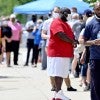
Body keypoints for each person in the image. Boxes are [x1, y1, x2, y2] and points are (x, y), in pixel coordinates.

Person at [47, 7, 77, 100]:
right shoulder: (57, 22)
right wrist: (72, 41)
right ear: (63, 13)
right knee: (58, 73)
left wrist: (74, 41)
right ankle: (59, 93)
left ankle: (57, 94)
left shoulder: (65, 24)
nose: (69, 16)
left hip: (64, 53)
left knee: (62, 73)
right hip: (57, 53)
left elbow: (70, 35)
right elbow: (60, 34)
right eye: (68, 14)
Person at [82, 2, 100, 100]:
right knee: (96, 83)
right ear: (94, 10)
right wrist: (93, 42)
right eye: (98, 9)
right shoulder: (91, 23)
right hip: (96, 58)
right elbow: (84, 41)